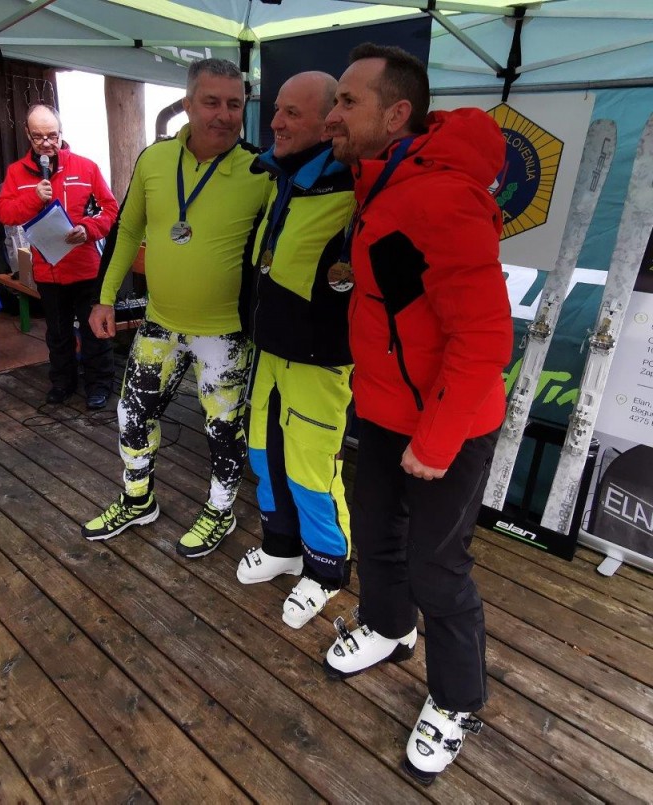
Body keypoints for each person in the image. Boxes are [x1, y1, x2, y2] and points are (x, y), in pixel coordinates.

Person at [319, 44, 512, 785]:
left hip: (448, 427)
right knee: (375, 532)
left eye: (348, 102)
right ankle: (388, 627)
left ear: (397, 113)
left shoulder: (442, 195)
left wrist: (434, 441)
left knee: (438, 565)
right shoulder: (386, 181)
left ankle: (457, 698)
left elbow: (484, 337)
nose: (333, 116)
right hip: (385, 411)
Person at [81, 58, 270, 558]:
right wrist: (105, 296)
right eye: (212, 102)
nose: (224, 114)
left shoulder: (262, 170)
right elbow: (127, 229)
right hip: (159, 324)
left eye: (235, 104)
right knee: (131, 413)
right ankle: (138, 500)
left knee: (223, 429)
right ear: (187, 104)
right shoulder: (155, 159)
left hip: (226, 333)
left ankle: (221, 511)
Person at [235, 72, 357, 630]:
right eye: (277, 109)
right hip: (271, 351)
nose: (275, 123)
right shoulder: (284, 176)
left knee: (312, 471)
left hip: (319, 359)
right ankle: (281, 545)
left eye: (292, 113)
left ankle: (326, 569)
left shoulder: (354, 182)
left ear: (328, 122)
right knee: (264, 455)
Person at [0, 104, 118, 409]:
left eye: (52, 135)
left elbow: (110, 209)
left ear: (61, 132)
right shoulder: (16, 173)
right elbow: (6, 214)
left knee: (94, 329)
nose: (46, 143)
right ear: (27, 135)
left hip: (86, 266)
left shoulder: (86, 167)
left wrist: (88, 229)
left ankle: (99, 384)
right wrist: (33, 197)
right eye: (38, 137)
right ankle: (62, 382)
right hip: (47, 268)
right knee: (58, 332)